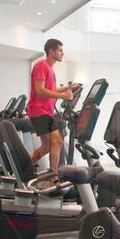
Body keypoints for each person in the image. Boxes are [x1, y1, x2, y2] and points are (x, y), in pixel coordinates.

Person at [27, 39, 80, 173]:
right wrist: (64, 96)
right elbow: (40, 90)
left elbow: (50, 89)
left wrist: (68, 88)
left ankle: (23, 166)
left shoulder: (49, 68)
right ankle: (53, 177)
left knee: (47, 146)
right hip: (39, 111)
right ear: (51, 51)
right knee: (57, 141)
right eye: (60, 50)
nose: (63, 53)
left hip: (44, 112)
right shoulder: (41, 66)